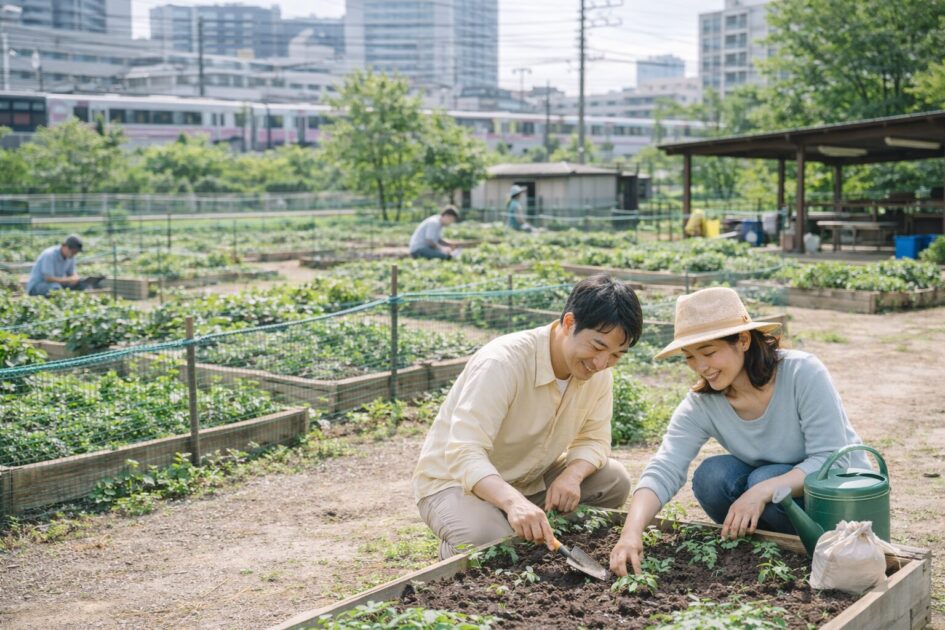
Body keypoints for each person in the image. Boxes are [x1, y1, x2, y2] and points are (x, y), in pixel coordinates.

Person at [609, 287, 871, 577]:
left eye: (708, 352)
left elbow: (831, 460)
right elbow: (665, 466)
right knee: (712, 476)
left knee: (764, 479)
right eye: (690, 357)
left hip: (840, 500)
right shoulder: (703, 404)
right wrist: (631, 531)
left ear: (743, 340)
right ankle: (773, 547)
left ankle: (810, 543)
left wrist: (761, 491)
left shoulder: (802, 373)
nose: (701, 367)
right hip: (778, 494)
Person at [414, 275, 643, 559]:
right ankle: (476, 532)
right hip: (457, 483)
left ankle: (529, 530)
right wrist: (513, 502)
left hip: (529, 479)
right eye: (596, 347)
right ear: (569, 323)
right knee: (486, 539)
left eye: (616, 355)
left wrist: (572, 476)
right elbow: (464, 451)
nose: (601, 363)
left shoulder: (599, 373)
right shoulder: (502, 362)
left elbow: (594, 439)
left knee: (614, 481)